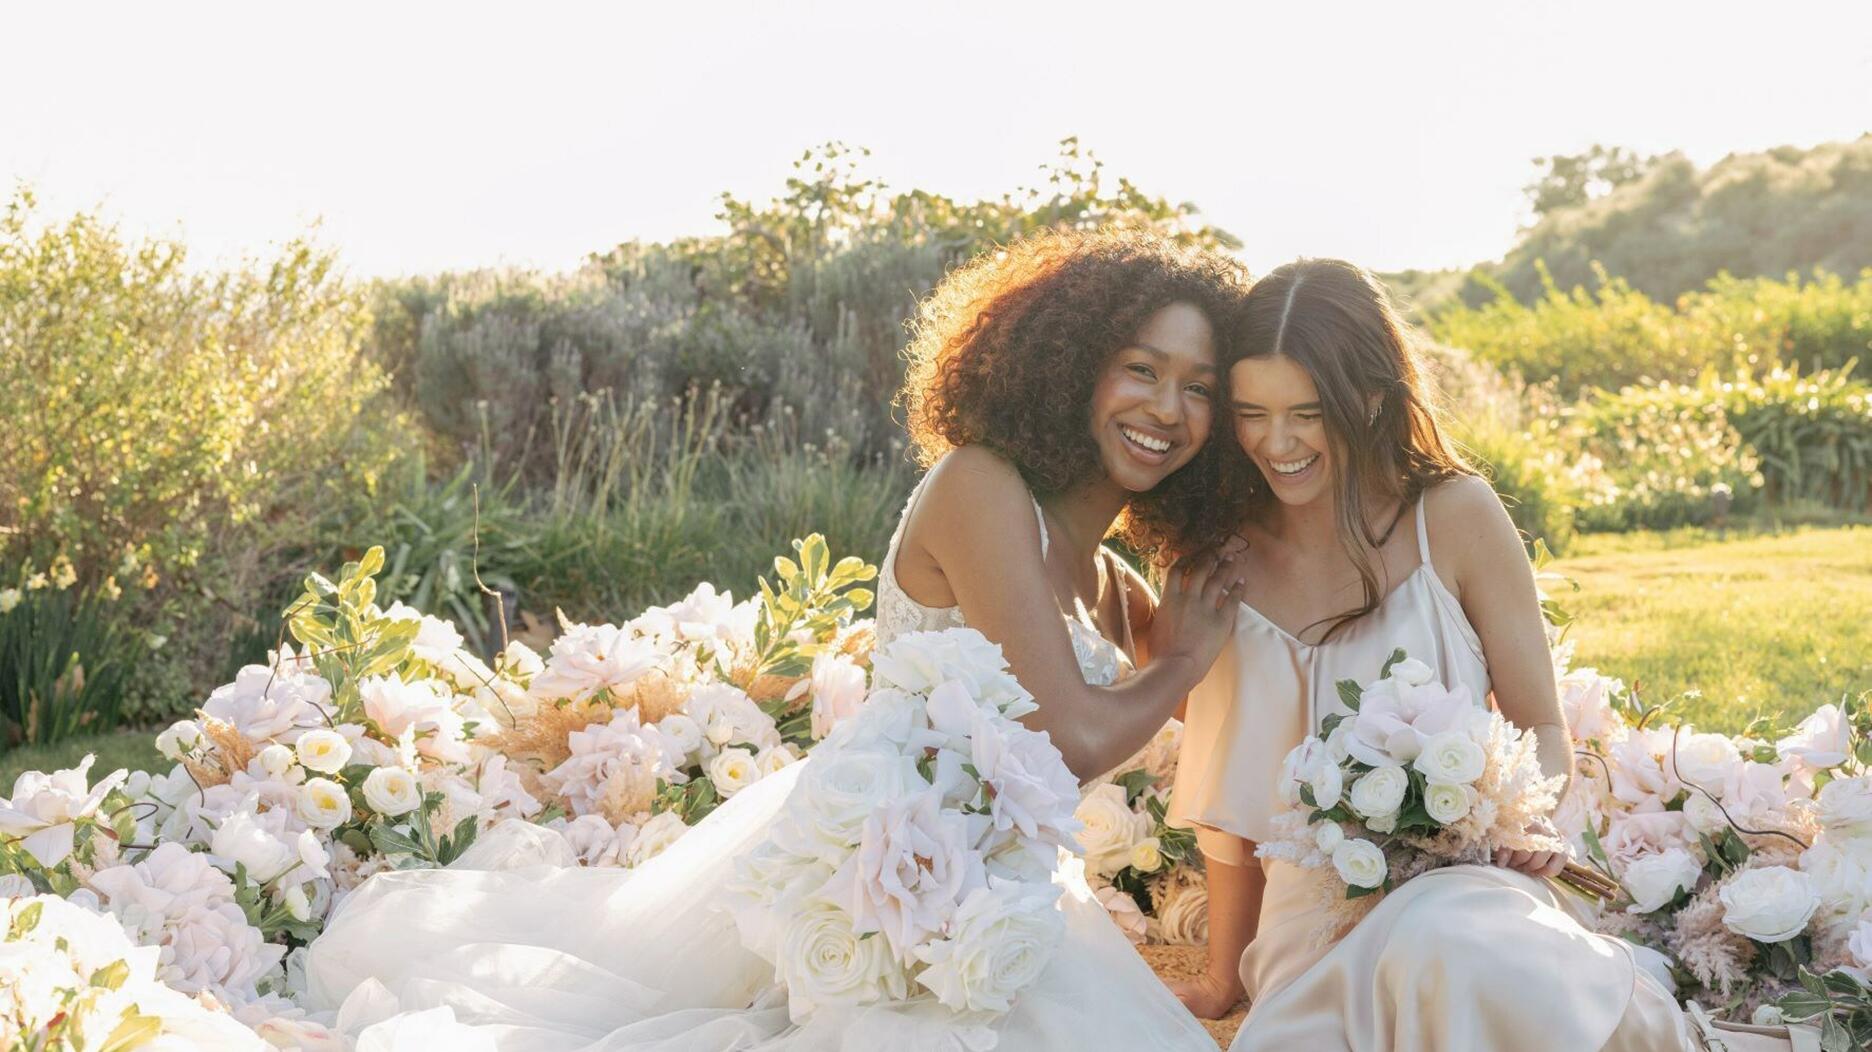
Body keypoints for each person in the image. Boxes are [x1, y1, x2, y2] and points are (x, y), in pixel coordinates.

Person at [304, 229, 1249, 1050]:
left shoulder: (1112, 578)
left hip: (998, 897)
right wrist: (1180, 659)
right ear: (1073, 363)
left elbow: (1206, 716)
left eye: (1200, 388)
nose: (1168, 408)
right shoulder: (981, 486)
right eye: (1142, 368)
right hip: (879, 884)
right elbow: (1074, 736)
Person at [1165, 258, 1801, 1052]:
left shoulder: (1454, 516)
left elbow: (1540, 723)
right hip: (1315, 920)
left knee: (1451, 942)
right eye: (1250, 412)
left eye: (1307, 412)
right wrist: (1227, 977)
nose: (1277, 441)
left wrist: (1523, 820)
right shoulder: (1219, 562)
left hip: (1470, 880)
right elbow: (1228, 818)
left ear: (1369, 399)